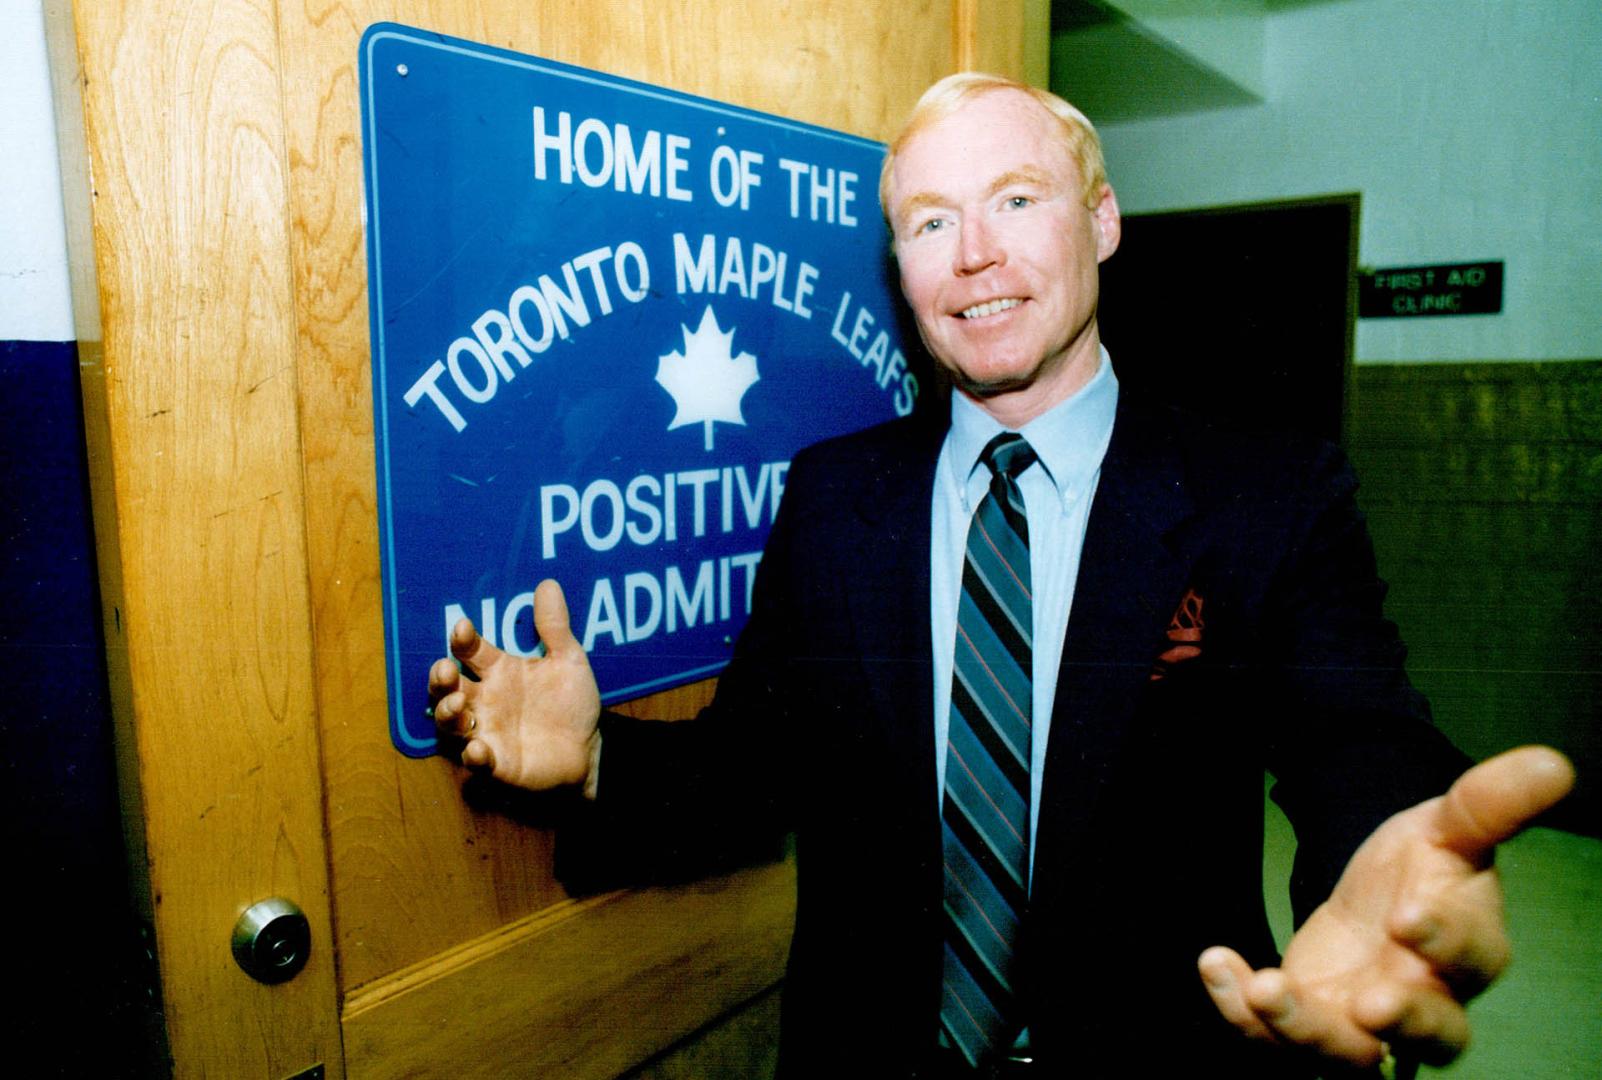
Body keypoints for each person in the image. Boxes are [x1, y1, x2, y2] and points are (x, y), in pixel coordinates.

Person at [427, 73, 1574, 1078]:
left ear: (1104, 220)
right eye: (931, 222)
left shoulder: (1266, 494)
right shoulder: (836, 498)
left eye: (1017, 201)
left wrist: (1384, 853)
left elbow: (1355, 735)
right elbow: (758, 763)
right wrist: (595, 756)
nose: (974, 254)